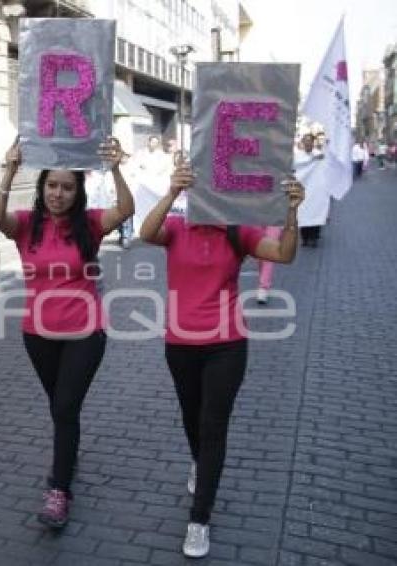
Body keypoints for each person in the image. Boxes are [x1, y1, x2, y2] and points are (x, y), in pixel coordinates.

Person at [140, 163, 304, 558]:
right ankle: (200, 462)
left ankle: (199, 519)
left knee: (214, 426)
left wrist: (293, 212)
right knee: (191, 418)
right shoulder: (177, 228)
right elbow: (145, 233)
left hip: (226, 344)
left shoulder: (238, 232)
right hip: (180, 343)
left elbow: (283, 253)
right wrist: (171, 192)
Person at [0, 137, 134, 529]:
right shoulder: (26, 225)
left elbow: (126, 209)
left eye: (67, 187)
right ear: (42, 188)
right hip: (37, 333)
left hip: (85, 332)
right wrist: (10, 169)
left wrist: (116, 167)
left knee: (66, 407)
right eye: (52, 185)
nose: (58, 193)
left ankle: (59, 489)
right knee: (60, 408)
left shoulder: (88, 223)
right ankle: (68, 453)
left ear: (77, 191)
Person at [294, 133, 325, 248]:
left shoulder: (319, 154)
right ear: (303, 142)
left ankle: (314, 237)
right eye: (305, 140)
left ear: (313, 142)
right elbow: (295, 166)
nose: (307, 142)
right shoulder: (298, 155)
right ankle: (305, 238)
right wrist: (312, 159)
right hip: (302, 189)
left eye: (310, 140)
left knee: (316, 211)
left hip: (316, 189)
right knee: (303, 213)